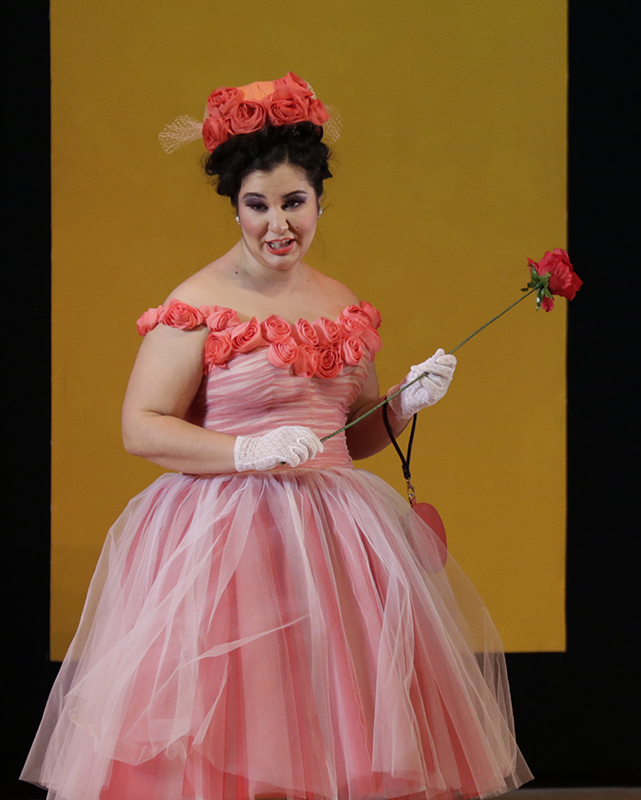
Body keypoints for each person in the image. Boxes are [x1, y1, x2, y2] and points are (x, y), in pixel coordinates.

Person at [21, 73, 532, 800]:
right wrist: (245, 452)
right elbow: (142, 427)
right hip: (227, 542)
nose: (277, 225)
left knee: (334, 724)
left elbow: (349, 437)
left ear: (321, 201)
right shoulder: (198, 303)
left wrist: (404, 402)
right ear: (236, 208)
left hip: (337, 543)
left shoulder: (341, 302)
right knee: (242, 723)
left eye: (294, 203)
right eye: (257, 206)